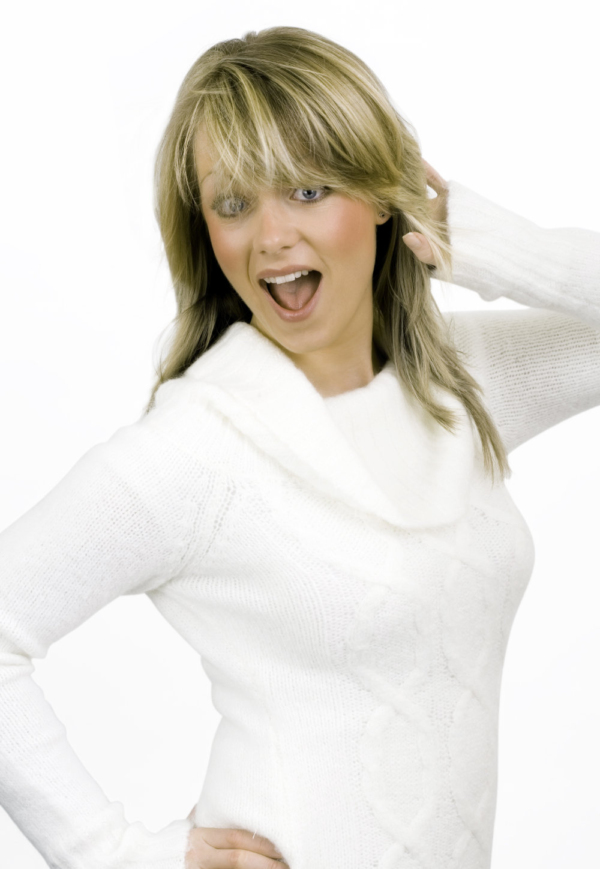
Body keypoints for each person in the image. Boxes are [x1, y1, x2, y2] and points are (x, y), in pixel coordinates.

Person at [0, 23, 598, 869]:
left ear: (383, 193)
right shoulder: (200, 448)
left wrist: (501, 249)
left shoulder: (464, 384)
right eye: (235, 203)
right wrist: (119, 854)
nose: (272, 237)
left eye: (310, 190)